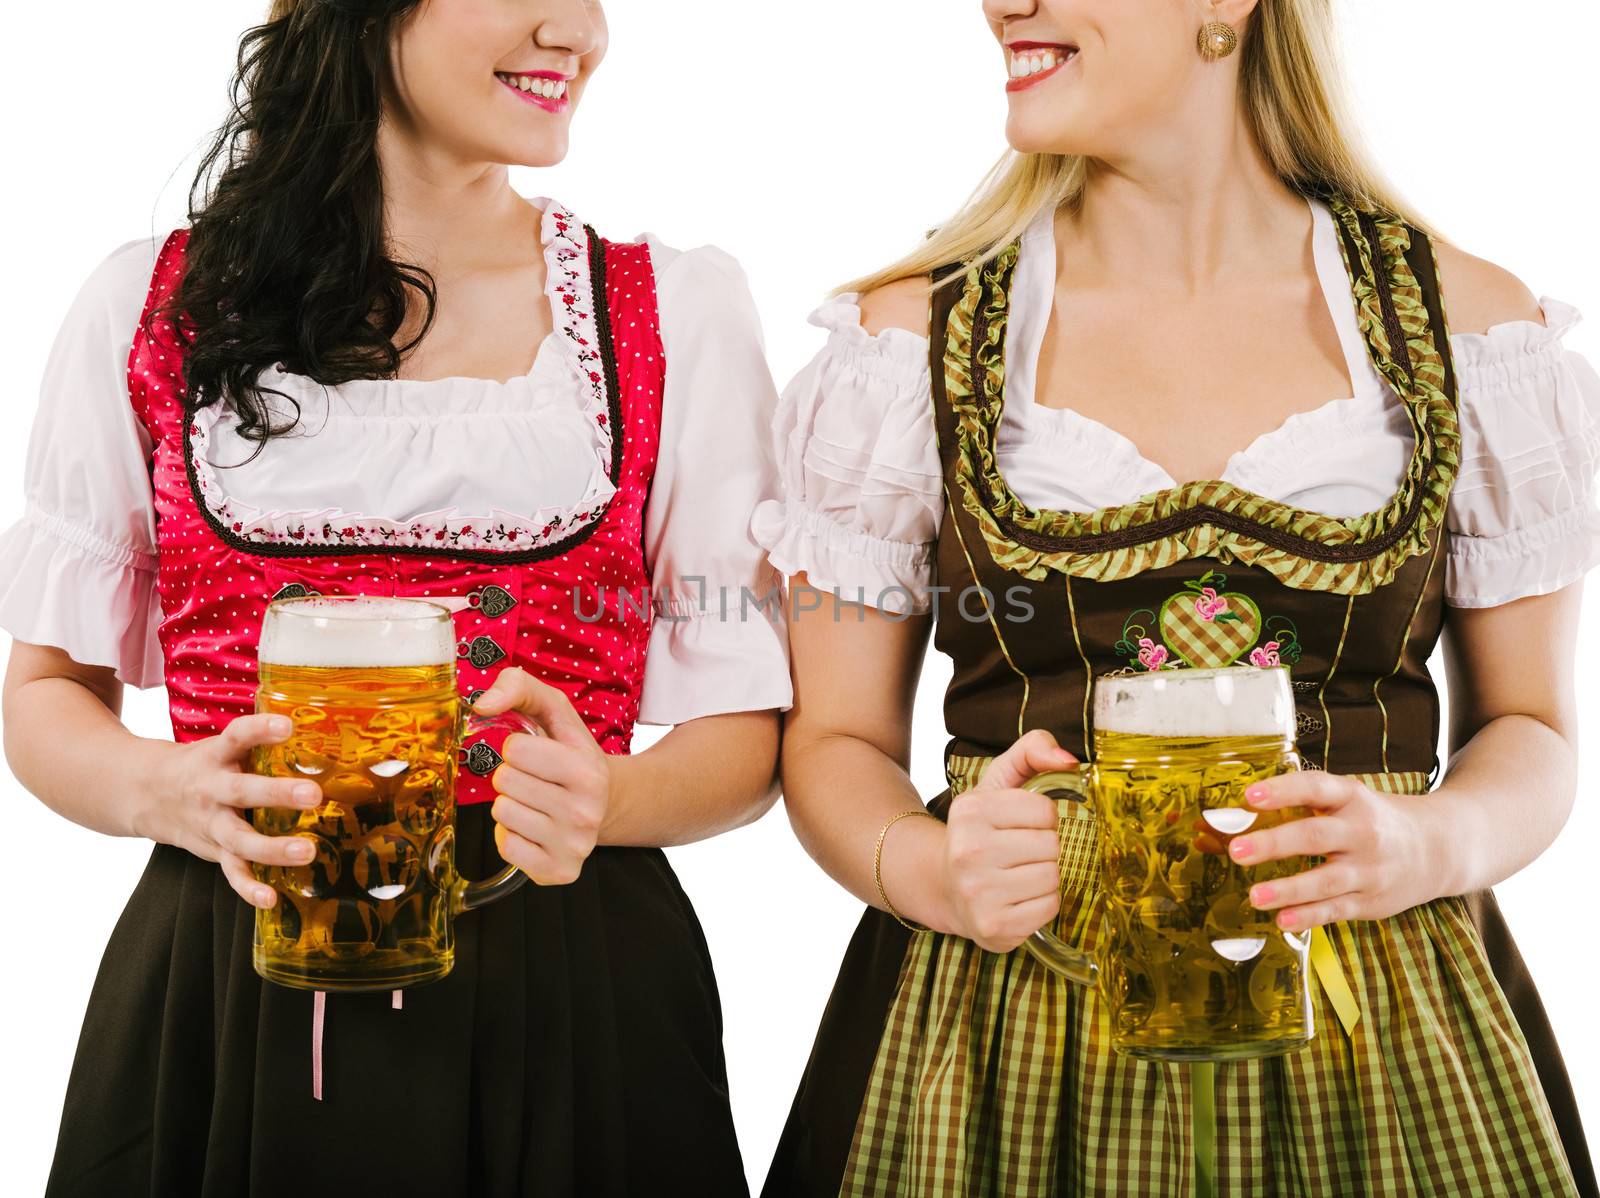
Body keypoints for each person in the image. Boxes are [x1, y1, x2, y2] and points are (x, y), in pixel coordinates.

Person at [753, 0, 1599, 1194]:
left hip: (1372, 1020)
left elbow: (1535, 731)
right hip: (1009, 1018)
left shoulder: (1465, 324)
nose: (1006, 3)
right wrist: (929, 868)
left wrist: (1425, 839)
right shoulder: (908, 341)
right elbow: (832, 742)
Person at [0, 2, 789, 1195]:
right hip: (231, 974)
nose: (575, 28)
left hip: (570, 978)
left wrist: (606, 798)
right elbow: (45, 693)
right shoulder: (149, 303)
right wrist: (161, 787)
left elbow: (744, 737)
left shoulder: (673, 312)